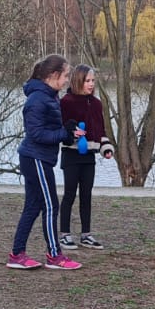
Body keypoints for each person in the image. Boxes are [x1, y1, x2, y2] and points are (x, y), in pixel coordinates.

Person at [8, 54, 82, 271]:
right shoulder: (37, 100)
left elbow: (52, 130)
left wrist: (68, 132)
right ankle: (54, 256)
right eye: (66, 75)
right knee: (51, 205)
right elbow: (37, 134)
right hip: (35, 158)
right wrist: (63, 132)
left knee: (32, 207)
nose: (68, 80)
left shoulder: (50, 97)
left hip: (41, 158)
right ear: (53, 75)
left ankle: (16, 254)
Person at [57, 64, 114, 250]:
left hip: (89, 156)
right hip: (71, 155)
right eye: (87, 81)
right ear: (78, 81)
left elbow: (101, 132)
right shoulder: (66, 102)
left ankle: (86, 235)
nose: (91, 84)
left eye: (93, 81)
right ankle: (64, 234)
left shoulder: (96, 104)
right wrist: (72, 131)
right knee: (69, 194)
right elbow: (60, 129)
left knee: (86, 195)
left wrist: (106, 148)